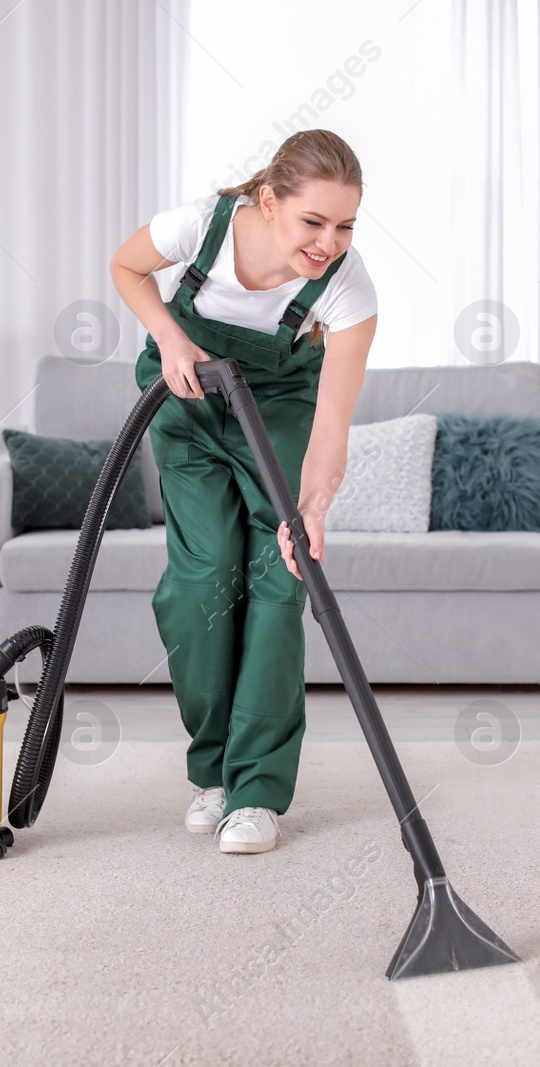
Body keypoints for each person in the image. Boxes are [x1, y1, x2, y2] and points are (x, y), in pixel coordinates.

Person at [109, 130, 379, 855]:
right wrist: (168, 336)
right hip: (186, 394)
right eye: (313, 222)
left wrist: (314, 507)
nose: (329, 243)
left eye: (346, 225)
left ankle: (256, 789)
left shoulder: (350, 291)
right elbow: (128, 267)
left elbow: (331, 425)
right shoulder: (200, 226)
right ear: (268, 201)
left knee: (277, 579)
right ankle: (215, 775)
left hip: (281, 412)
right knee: (200, 581)